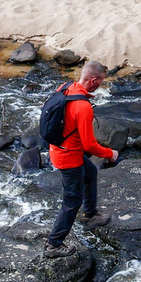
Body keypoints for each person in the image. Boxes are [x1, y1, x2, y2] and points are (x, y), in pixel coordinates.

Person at [44, 60, 119, 258]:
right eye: (101, 82)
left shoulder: (66, 88)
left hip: (59, 149)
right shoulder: (83, 106)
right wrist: (110, 154)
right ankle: (54, 244)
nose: (100, 85)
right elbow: (89, 145)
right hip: (69, 158)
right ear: (93, 80)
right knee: (71, 201)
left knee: (91, 172)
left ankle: (90, 214)